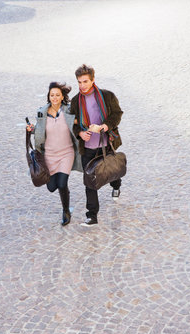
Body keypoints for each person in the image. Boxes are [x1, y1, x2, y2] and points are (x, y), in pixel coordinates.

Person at [71, 64, 123, 226]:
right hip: (87, 148)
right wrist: (80, 133)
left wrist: (103, 127)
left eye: (85, 81)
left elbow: (117, 114)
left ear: (93, 80)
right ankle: (92, 215)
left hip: (106, 144)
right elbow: (72, 124)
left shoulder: (107, 96)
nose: (82, 86)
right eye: (79, 82)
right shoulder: (75, 101)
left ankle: (116, 185)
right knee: (90, 181)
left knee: (112, 172)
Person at [27, 82, 82, 226]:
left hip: (66, 153)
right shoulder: (42, 113)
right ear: (48, 97)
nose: (55, 97)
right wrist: (31, 129)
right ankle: (63, 195)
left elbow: (79, 123)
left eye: (58, 95)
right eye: (52, 95)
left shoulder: (69, 112)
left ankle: (66, 211)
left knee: (62, 183)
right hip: (49, 155)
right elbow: (40, 130)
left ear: (62, 96)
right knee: (52, 187)